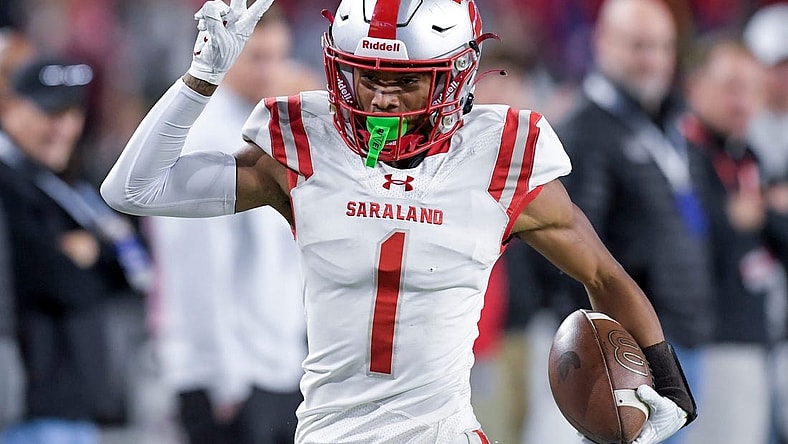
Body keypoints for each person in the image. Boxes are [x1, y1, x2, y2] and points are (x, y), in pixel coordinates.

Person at [101, 1, 697, 442]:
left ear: (458, 74)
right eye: (368, 75)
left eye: (406, 80)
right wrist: (201, 77)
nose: (382, 98)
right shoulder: (303, 151)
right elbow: (132, 187)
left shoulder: (501, 158)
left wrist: (671, 389)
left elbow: (602, 273)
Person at [147, 7, 316, 444]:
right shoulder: (202, 136)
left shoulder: (261, 128)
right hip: (230, 375)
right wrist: (227, 378)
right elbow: (198, 271)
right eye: (256, 58)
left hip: (275, 363)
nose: (270, 71)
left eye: (277, 57)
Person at [552, 1, 717, 443]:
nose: (654, 59)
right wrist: (602, 350)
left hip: (678, 335)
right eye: (639, 46)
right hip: (625, 352)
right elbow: (571, 253)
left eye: (663, 46)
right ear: (602, 45)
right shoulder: (582, 131)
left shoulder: (670, 121)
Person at [0, 55, 152, 444]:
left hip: (74, 401)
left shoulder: (73, 177)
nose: (64, 129)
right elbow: (52, 279)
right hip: (24, 401)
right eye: (50, 114)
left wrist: (93, 254)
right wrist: (100, 255)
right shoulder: (9, 182)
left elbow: (136, 265)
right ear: (12, 108)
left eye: (72, 114)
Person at [680, 37, 785, 444]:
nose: (743, 102)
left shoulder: (748, 155)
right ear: (696, 86)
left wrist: (764, 215)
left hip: (754, 333)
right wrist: (760, 213)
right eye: (731, 88)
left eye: (752, 90)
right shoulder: (683, 153)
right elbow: (700, 234)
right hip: (710, 337)